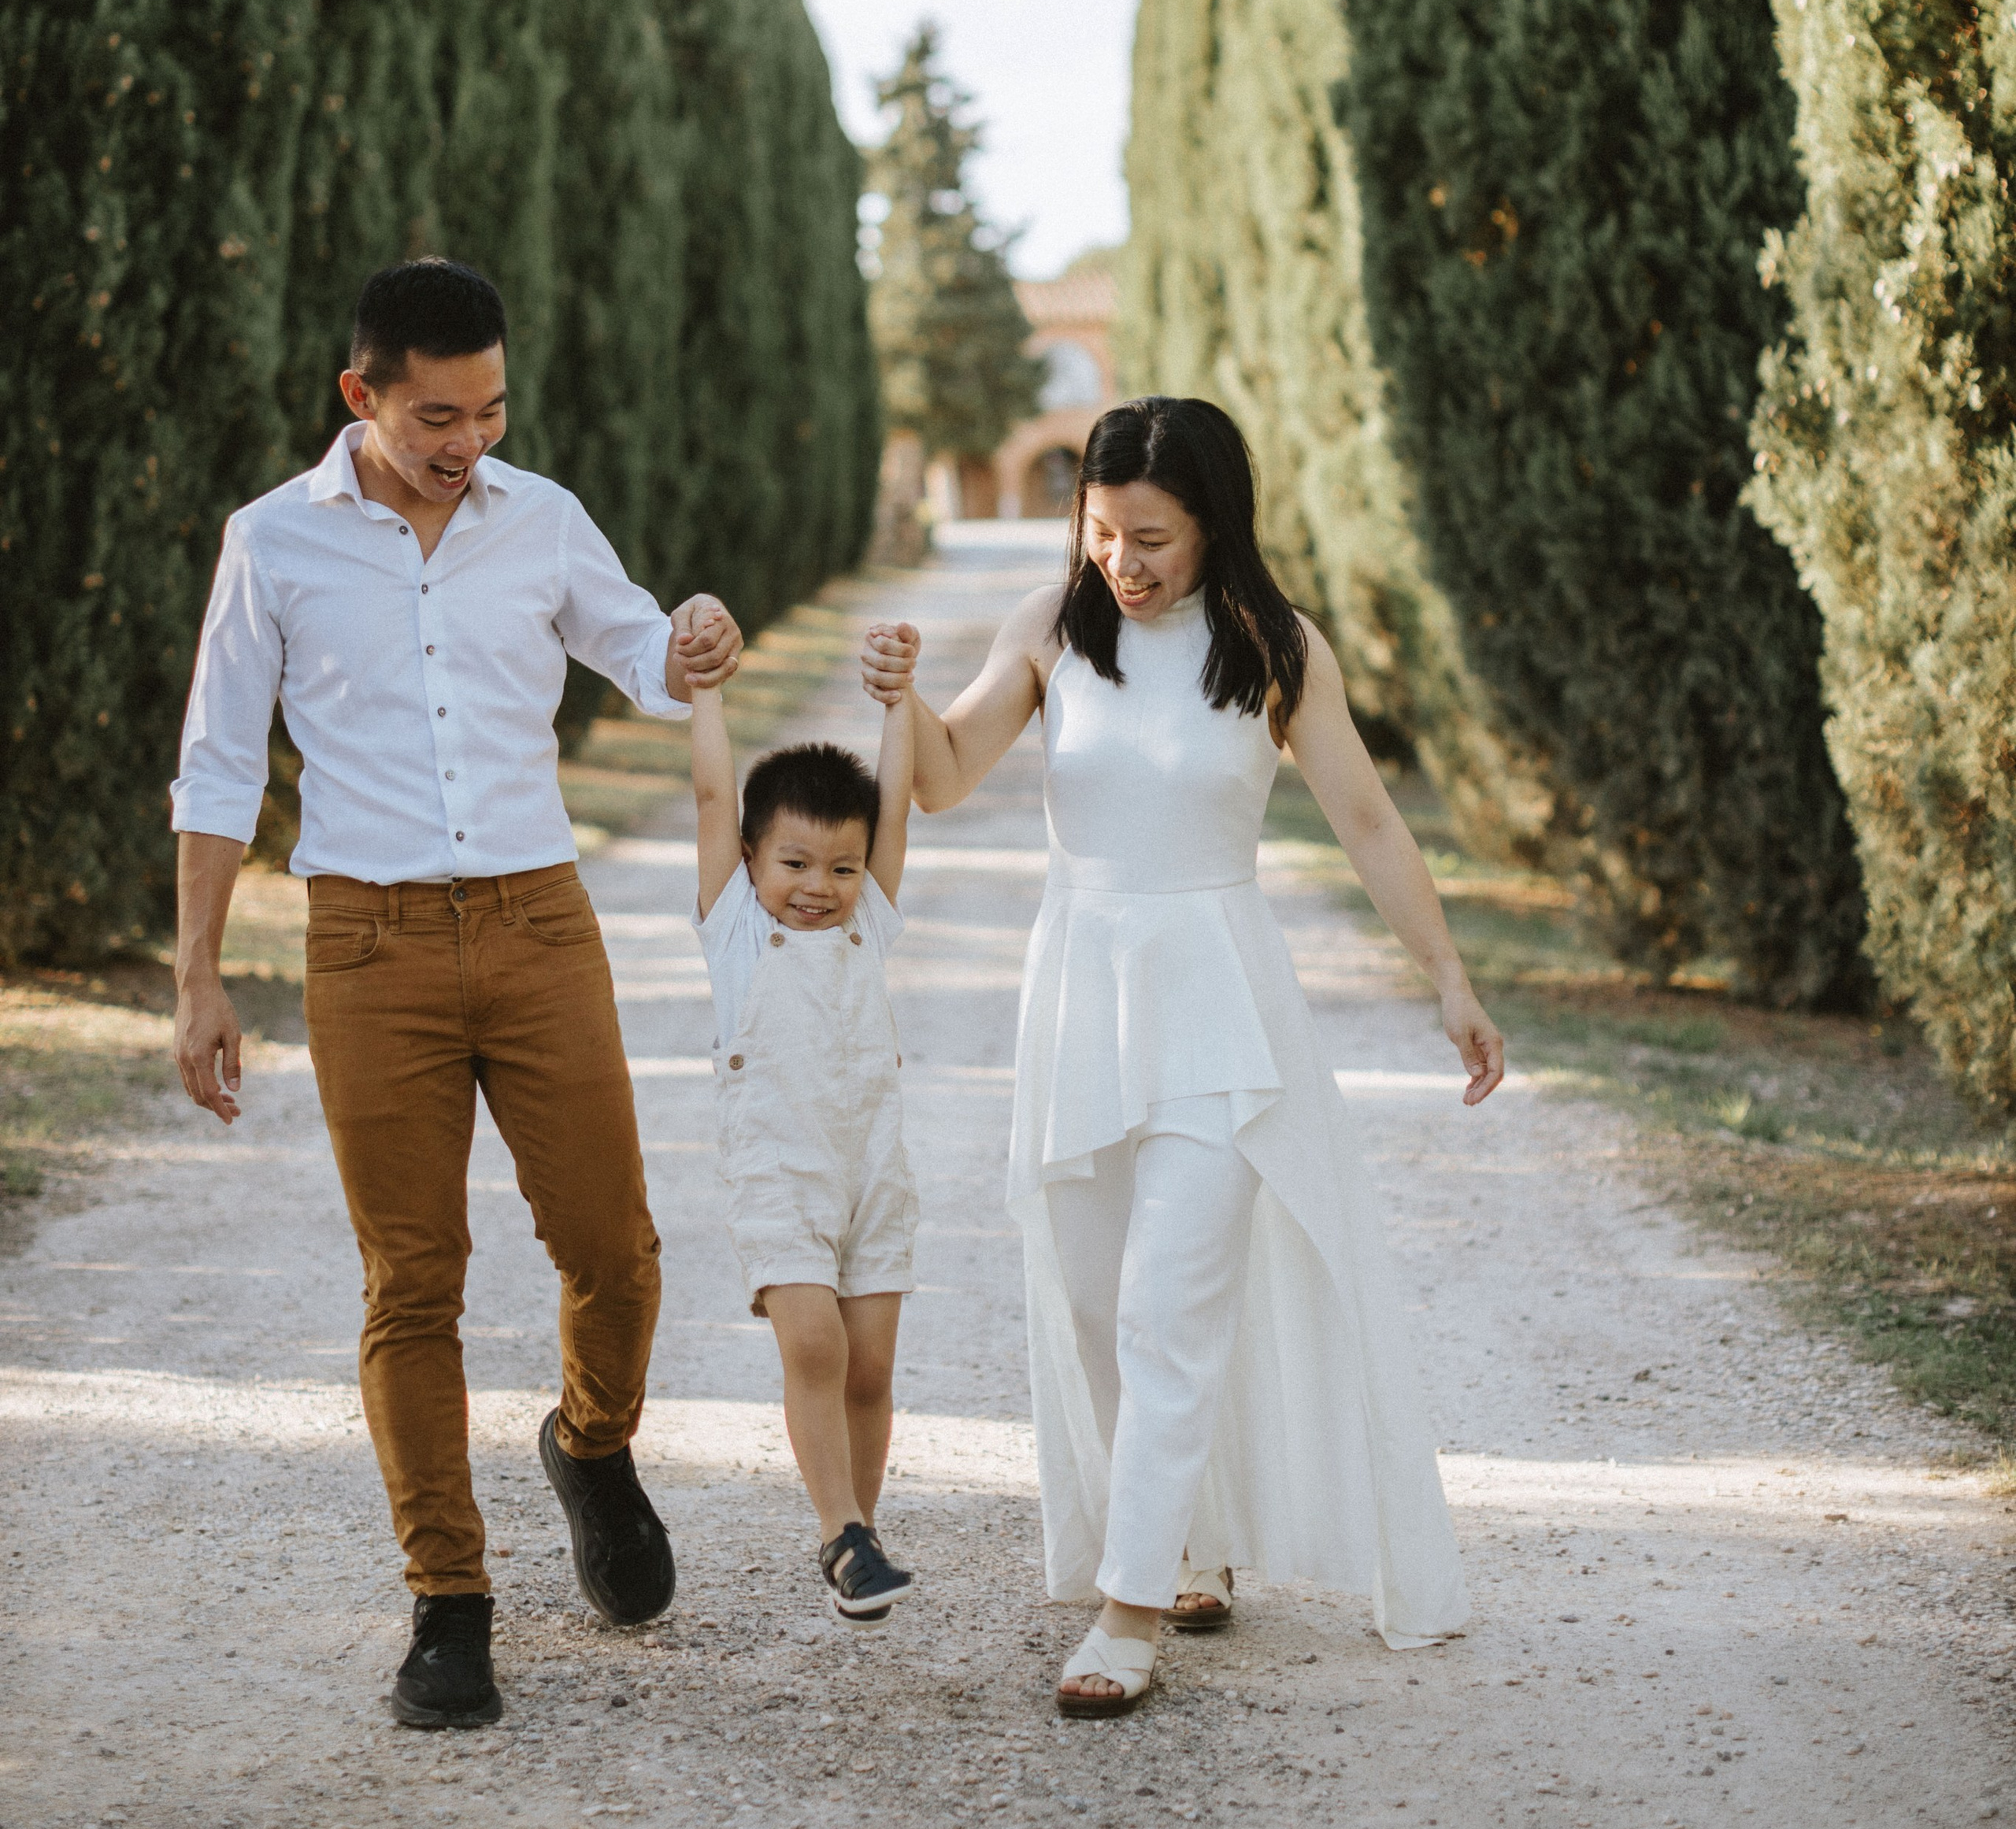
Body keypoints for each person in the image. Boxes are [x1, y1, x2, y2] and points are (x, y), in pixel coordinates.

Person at [863, 396, 1504, 1718]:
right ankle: (1187, 1542)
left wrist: (1449, 975)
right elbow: (940, 777)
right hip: (1079, 995)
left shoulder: (1272, 644)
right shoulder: (1049, 632)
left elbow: (1370, 820)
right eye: (1102, 532)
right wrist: (899, 700)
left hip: (1219, 1006)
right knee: (1100, 1304)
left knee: (1167, 1304)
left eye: (1152, 536)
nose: (1124, 561)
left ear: (1217, 523)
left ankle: (1129, 1611)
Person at [170, 257, 742, 1731]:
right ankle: (450, 1600)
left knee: (614, 1244)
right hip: (367, 949)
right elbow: (223, 766)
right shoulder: (273, 546)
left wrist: (693, 638)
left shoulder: (539, 519)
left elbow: (641, 653)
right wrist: (198, 981)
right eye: (437, 414)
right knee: (411, 1281)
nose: (467, 439)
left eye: (491, 409)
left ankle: (592, 1446)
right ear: (360, 395)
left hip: (542, 924)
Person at [688, 648, 922, 1624]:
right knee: (816, 1347)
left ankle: (860, 1529)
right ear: (749, 860)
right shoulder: (736, 928)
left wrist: (899, 701)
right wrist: (706, 692)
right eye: (792, 863)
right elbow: (709, 793)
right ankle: (839, 1532)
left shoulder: (872, 920)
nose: (818, 886)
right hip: (777, 1169)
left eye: (841, 866)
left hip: (873, 1168)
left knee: (869, 1368)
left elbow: (898, 804)